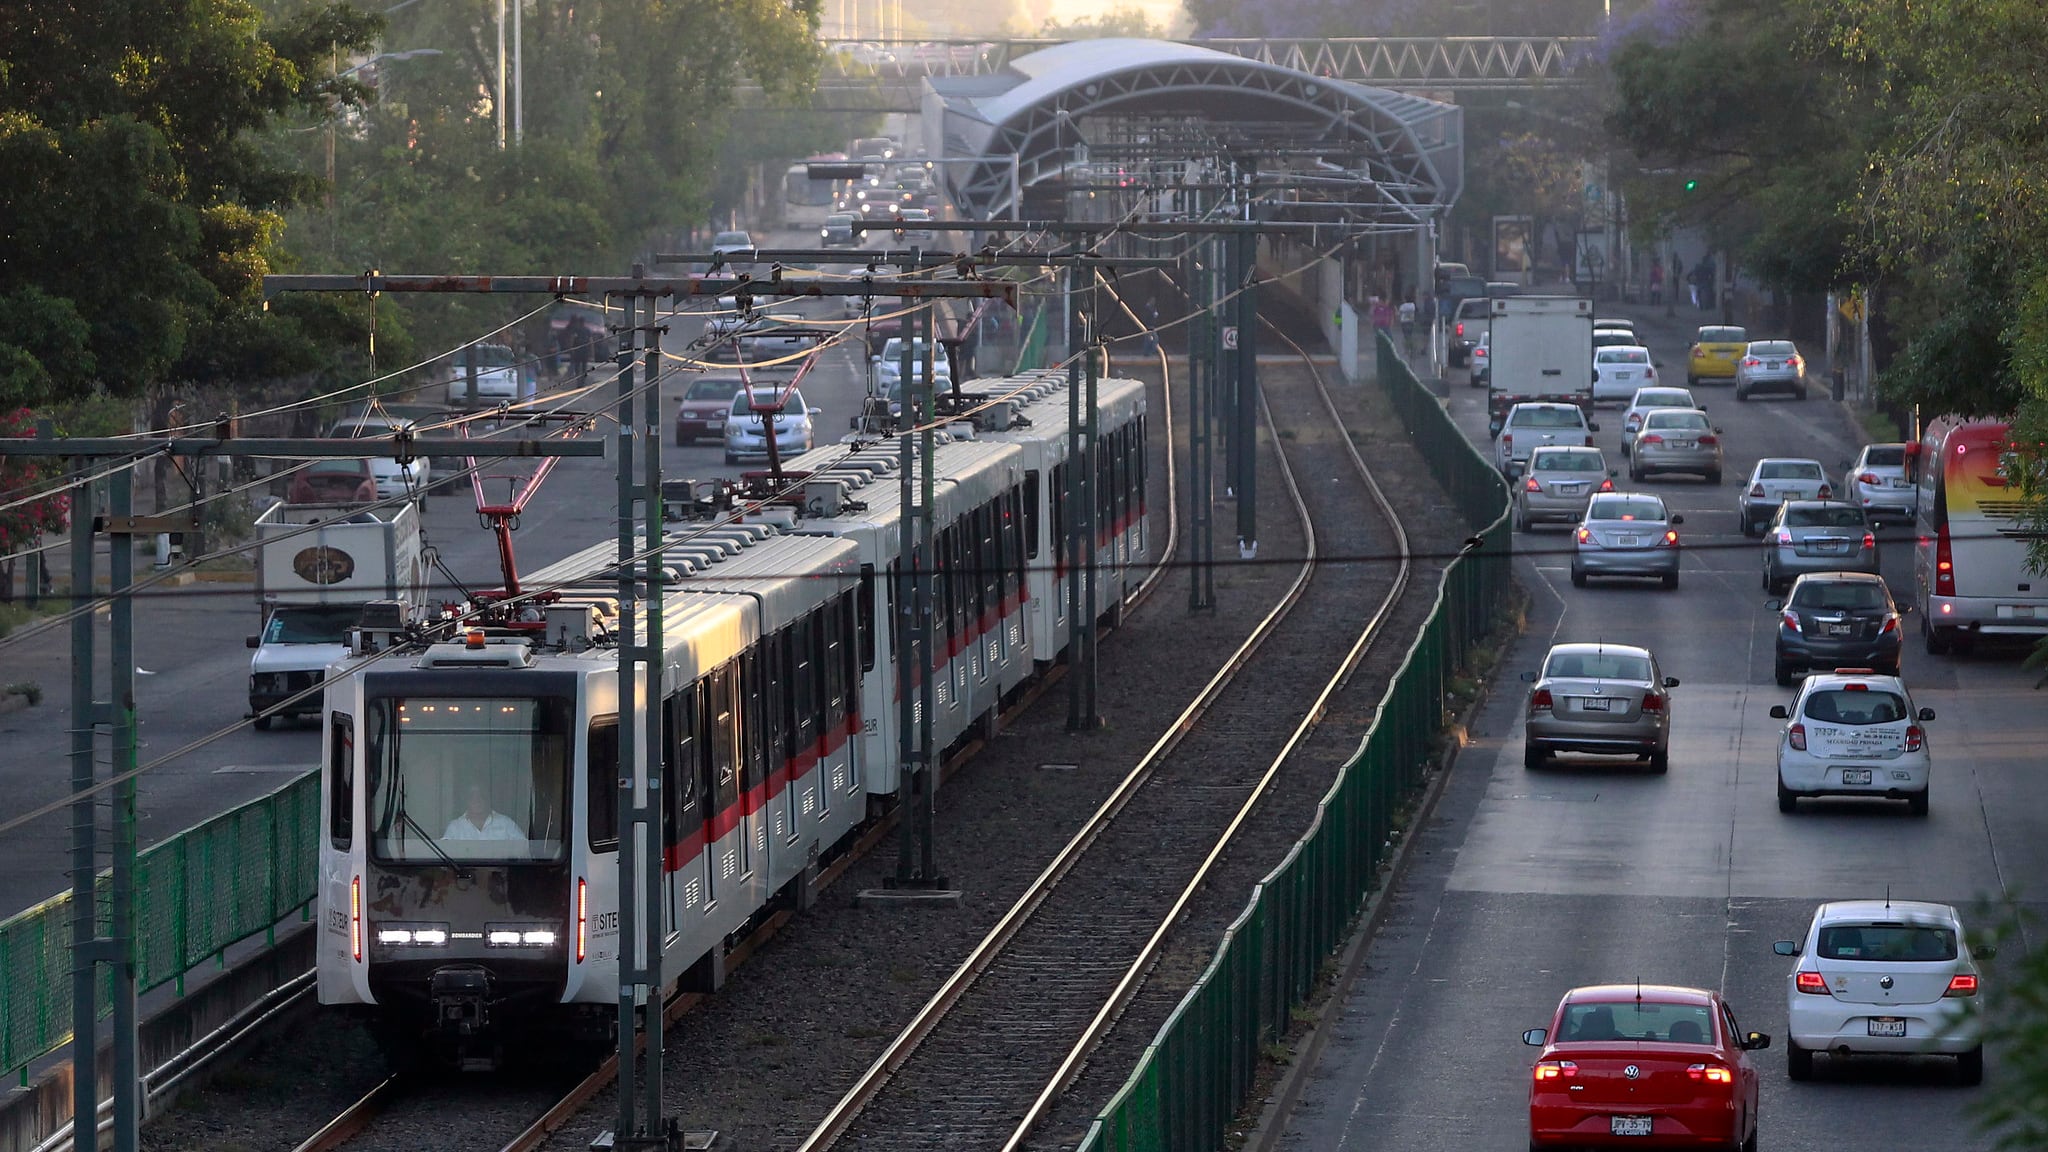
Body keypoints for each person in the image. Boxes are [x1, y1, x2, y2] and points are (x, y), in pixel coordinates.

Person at [443, 784, 525, 841]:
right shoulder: (455, 827)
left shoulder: (506, 824)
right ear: (466, 800)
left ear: (488, 798)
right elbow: (444, 855)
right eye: (472, 796)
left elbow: (524, 850)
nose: (477, 800)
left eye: (481, 795)